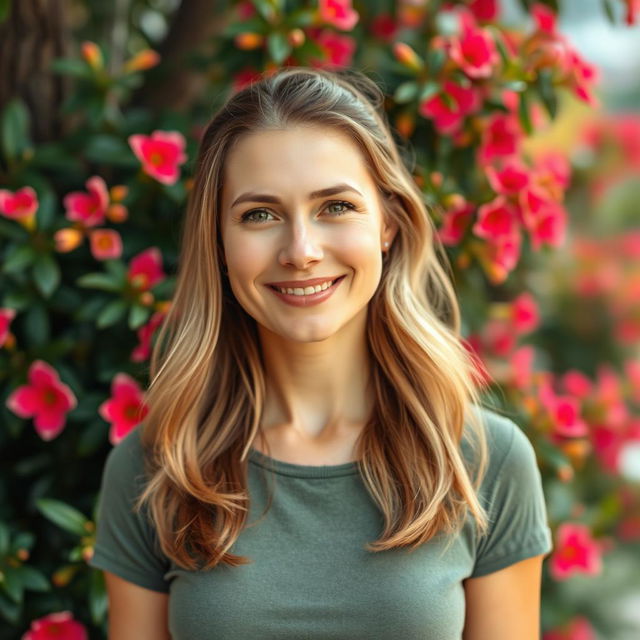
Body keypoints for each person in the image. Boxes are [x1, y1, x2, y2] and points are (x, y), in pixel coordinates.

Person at [88, 67, 553, 640]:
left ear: (388, 223)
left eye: (335, 206)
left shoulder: (485, 460)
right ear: (219, 240)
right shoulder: (156, 467)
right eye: (259, 215)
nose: (301, 251)